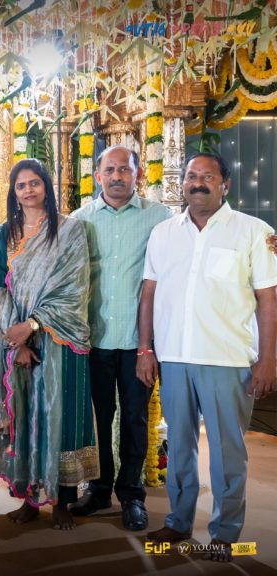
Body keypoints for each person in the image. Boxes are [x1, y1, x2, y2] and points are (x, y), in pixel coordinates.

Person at [141, 153, 277, 563]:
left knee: (227, 452)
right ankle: (179, 522)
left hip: (227, 359)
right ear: (182, 183)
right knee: (179, 447)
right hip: (174, 358)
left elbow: (268, 299)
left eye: (208, 176)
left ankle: (225, 532)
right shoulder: (163, 233)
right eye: (191, 176)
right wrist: (145, 349)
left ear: (225, 185)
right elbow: (149, 293)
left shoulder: (254, 231)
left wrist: (268, 358)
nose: (198, 182)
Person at [0, 158, 99, 530]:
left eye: (34, 183)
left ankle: (63, 501)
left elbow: (75, 290)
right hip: (17, 343)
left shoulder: (70, 230)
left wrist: (34, 324)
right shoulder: (3, 234)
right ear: (13, 192)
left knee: (60, 418)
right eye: (21, 185)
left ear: (46, 187)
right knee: (24, 417)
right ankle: (29, 498)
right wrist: (16, 341)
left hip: (60, 340)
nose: (28, 190)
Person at [68, 146, 172, 531]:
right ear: (97, 175)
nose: (116, 176)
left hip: (137, 341)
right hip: (92, 340)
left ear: (137, 173)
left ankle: (131, 495)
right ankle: (98, 490)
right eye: (109, 169)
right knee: (96, 419)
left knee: (133, 418)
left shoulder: (160, 219)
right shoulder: (79, 220)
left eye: (124, 169)